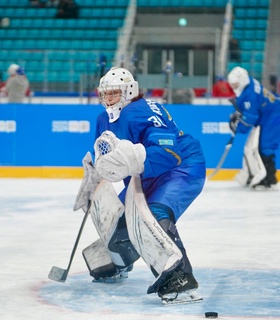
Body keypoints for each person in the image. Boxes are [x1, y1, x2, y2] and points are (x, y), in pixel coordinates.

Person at [73, 67, 206, 304]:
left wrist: (136, 156)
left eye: (114, 93)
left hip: (180, 167)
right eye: (104, 93)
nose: (107, 98)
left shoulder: (142, 110)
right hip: (144, 175)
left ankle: (180, 279)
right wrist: (95, 176)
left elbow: (168, 152)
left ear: (130, 91)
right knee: (120, 222)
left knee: (151, 216)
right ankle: (118, 262)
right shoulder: (103, 118)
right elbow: (103, 153)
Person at [227, 66, 280, 190]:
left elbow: (251, 117)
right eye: (232, 84)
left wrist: (238, 127)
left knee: (265, 145)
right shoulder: (248, 84)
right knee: (256, 146)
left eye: (236, 84)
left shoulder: (250, 93)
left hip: (274, 114)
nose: (234, 87)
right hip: (269, 113)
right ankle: (259, 175)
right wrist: (239, 114)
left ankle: (268, 178)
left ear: (242, 80)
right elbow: (249, 109)